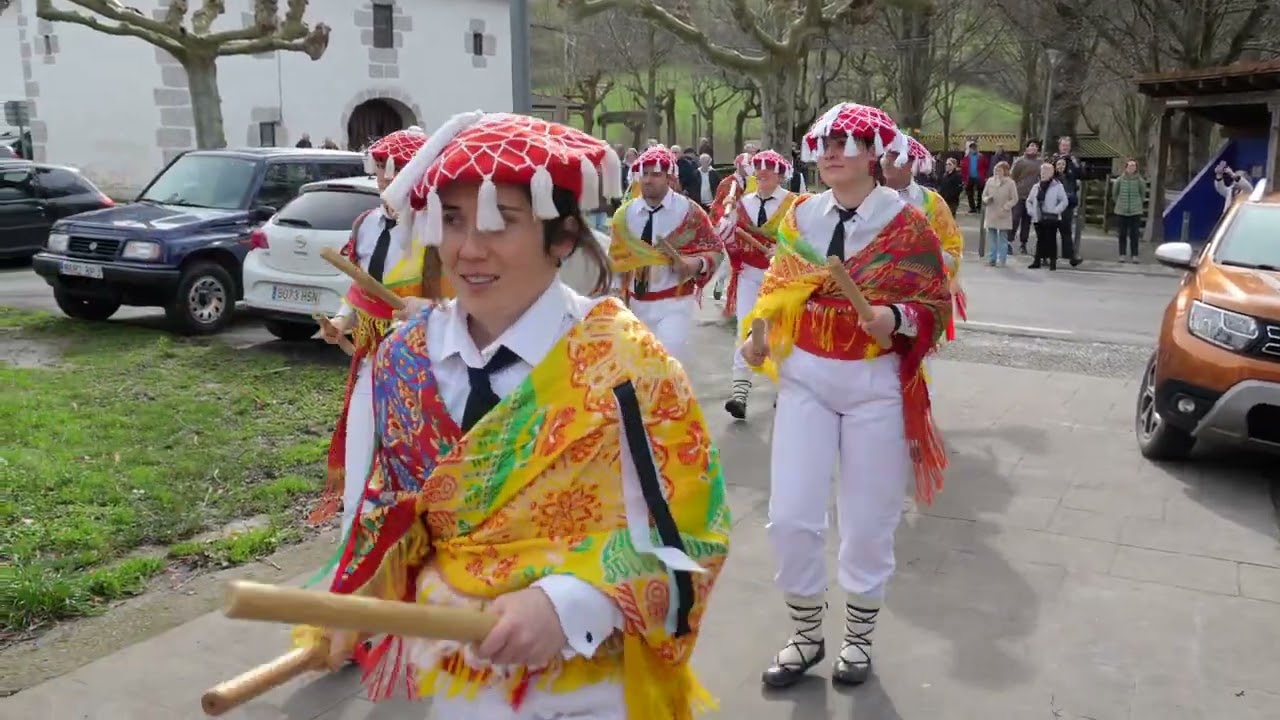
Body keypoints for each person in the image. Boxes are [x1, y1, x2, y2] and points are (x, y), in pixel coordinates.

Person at [297, 111, 731, 720]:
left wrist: (572, 603)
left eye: (502, 221)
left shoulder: (627, 364)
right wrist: (358, 595)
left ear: (561, 239)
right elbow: (395, 507)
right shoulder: (405, 357)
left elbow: (692, 530)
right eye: (452, 220)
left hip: (585, 691)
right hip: (453, 678)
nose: (469, 249)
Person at [740, 102, 951, 689]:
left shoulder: (907, 225)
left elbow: (933, 304)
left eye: (846, 142)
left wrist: (897, 316)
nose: (831, 152)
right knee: (789, 515)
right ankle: (806, 634)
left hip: (874, 388)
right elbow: (779, 289)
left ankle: (858, 639)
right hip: (805, 376)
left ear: (875, 152)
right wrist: (758, 336)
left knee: (867, 520)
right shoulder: (801, 216)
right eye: (824, 142)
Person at [311, 126, 435, 538]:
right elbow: (359, 284)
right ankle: (351, 550)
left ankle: (412, 544)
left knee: (414, 459)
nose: (384, 177)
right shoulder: (365, 224)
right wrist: (342, 321)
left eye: (394, 168)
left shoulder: (435, 228)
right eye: (380, 167)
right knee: (360, 450)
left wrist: (428, 312)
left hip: (423, 360)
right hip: (370, 355)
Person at [609, 145, 722, 365]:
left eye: (656, 174)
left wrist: (694, 264)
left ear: (670, 178)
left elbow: (715, 249)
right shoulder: (624, 215)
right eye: (645, 174)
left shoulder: (689, 212)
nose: (648, 180)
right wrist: (614, 298)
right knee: (639, 369)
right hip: (635, 304)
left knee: (667, 364)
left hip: (674, 302)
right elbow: (617, 259)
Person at [723, 149, 797, 420]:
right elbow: (731, 244)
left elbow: (805, 242)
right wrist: (725, 232)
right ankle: (739, 393)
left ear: (780, 173)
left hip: (783, 278)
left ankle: (783, 390)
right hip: (749, 275)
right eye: (758, 166)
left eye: (769, 167)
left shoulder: (795, 204)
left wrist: (783, 251)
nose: (763, 171)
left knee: (781, 332)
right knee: (747, 326)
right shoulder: (742, 203)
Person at [880, 135, 966, 343]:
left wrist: (917, 254)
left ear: (909, 162)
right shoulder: (868, 196)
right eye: (883, 155)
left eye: (892, 155)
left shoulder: (931, 203)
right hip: (874, 302)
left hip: (915, 302)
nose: (885, 161)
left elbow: (953, 253)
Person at [1025, 161, 1069, 270]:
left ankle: (1053, 261)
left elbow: (1064, 201)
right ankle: (1037, 261)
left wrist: (1055, 210)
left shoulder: (1057, 186)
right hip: (1038, 217)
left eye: (1046, 171)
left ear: (1051, 173)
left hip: (1052, 218)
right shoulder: (1036, 186)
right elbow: (1029, 201)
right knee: (1040, 240)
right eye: (1042, 171)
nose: (1043, 173)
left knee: (1051, 240)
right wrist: (1031, 211)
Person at [981, 161, 1017, 267]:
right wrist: (987, 199)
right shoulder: (990, 181)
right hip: (991, 212)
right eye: (995, 170)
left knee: (1002, 238)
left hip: (1003, 214)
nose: (997, 172)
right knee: (992, 237)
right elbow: (984, 195)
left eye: (999, 170)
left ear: (1005, 171)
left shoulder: (1010, 183)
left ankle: (1002, 260)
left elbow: (1014, 199)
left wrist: (1006, 207)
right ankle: (992, 259)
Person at [1009, 140, 1042, 254]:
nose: (1033, 148)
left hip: (1032, 196)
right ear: (1027, 148)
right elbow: (1013, 177)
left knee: (1027, 221)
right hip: (1019, 194)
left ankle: (1023, 243)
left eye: (1035, 146)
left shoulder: (1040, 163)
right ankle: (1009, 241)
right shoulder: (1020, 161)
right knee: (1014, 218)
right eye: (1031, 146)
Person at [1111, 158, 1147, 263]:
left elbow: (1142, 194)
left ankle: (1135, 255)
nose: (1131, 168)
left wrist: (1137, 204)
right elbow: (1115, 194)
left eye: (1133, 166)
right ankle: (1122, 254)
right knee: (1122, 233)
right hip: (1121, 211)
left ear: (1136, 168)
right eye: (1130, 166)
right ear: (1126, 168)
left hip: (1135, 211)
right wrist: (1120, 203)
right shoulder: (1119, 180)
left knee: (1134, 234)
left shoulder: (1140, 181)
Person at [961, 141, 988, 213]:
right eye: (971, 148)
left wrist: (985, 176)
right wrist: (964, 179)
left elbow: (986, 166)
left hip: (979, 177)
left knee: (980, 192)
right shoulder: (966, 158)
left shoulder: (981, 157)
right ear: (969, 149)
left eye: (974, 148)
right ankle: (972, 207)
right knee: (969, 192)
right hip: (969, 177)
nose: (973, 149)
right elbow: (963, 169)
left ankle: (979, 207)